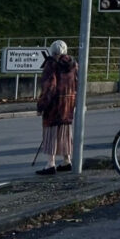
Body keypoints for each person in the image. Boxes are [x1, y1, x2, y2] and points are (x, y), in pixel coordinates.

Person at [35, 40, 78, 175]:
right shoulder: (74, 64)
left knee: (50, 133)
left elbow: (49, 87)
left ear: (52, 52)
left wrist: (41, 105)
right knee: (65, 132)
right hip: (68, 103)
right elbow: (78, 83)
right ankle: (67, 160)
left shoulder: (51, 65)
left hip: (54, 105)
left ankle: (50, 164)